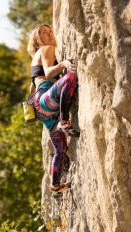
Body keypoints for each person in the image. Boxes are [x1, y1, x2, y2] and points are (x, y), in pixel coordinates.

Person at [27, 24, 79, 193]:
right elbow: (49, 73)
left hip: (42, 110)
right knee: (70, 77)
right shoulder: (46, 49)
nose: (49, 34)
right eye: (44, 32)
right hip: (46, 101)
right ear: (37, 39)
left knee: (60, 149)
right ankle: (64, 120)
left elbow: (32, 88)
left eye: (50, 31)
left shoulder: (35, 57)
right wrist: (63, 63)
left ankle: (55, 185)